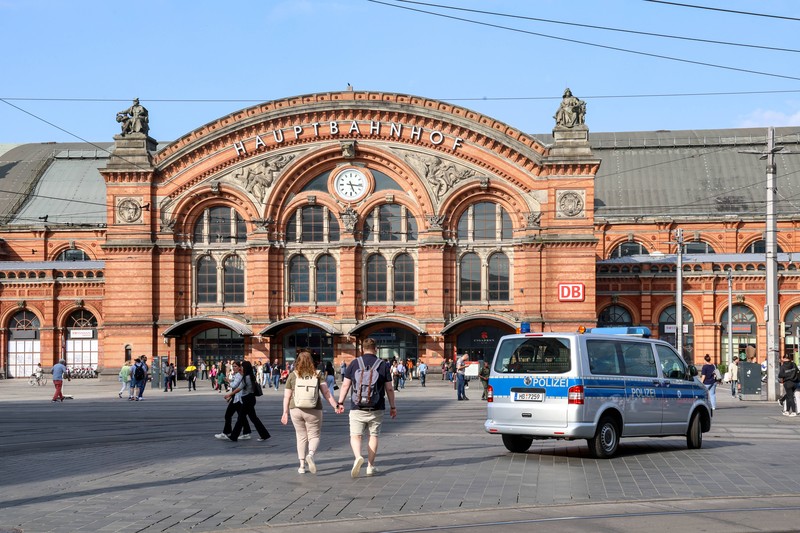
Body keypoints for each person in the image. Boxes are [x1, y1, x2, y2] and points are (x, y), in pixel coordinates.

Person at [336, 338, 397, 478]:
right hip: (376, 407)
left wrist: (340, 403)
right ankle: (370, 466)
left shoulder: (354, 363)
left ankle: (358, 457)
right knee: (373, 435)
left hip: (357, 407)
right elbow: (389, 389)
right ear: (376, 349)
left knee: (355, 435)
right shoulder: (383, 365)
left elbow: (345, 385)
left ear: (362, 349)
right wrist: (393, 406)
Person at [281, 351, 338, 474]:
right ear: (311, 361)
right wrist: (335, 406)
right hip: (314, 408)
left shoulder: (293, 375)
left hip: (295, 409)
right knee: (314, 435)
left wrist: (285, 412)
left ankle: (301, 466)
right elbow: (326, 393)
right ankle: (310, 455)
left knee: (301, 436)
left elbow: (287, 396)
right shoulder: (317, 374)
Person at [223, 360, 271, 442]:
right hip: (250, 399)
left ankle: (234, 436)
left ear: (245, 368)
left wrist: (229, 395)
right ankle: (264, 434)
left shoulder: (247, 378)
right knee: (253, 418)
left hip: (247, 400)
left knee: (241, 418)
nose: (241, 368)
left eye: (242, 367)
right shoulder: (250, 376)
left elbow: (239, 388)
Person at [215, 361, 252, 440]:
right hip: (237, 397)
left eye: (235, 366)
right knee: (241, 417)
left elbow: (234, 385)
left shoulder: (239, 375)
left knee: (228, 415)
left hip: (238, 398)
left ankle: (227, 432)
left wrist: (228, 381)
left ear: (239, 367)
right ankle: (246, 432)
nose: (234, 368)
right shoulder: (238, 374)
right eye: (233, 366)